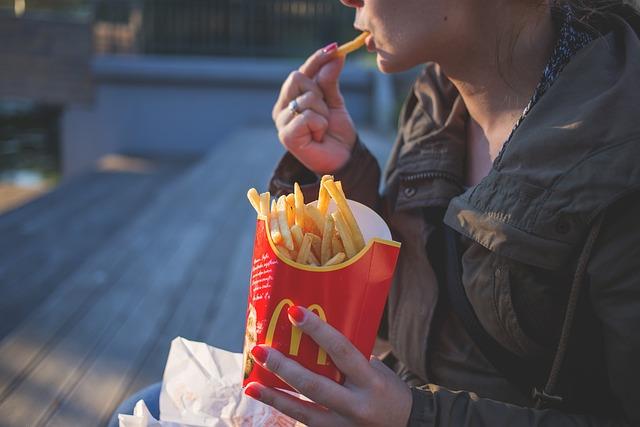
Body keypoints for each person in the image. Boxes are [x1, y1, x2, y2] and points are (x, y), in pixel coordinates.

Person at [242, 0, 640, 425]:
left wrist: (414, 416)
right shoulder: (437, 98)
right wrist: (339, 172)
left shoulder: (622, 150)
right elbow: (421, 323)